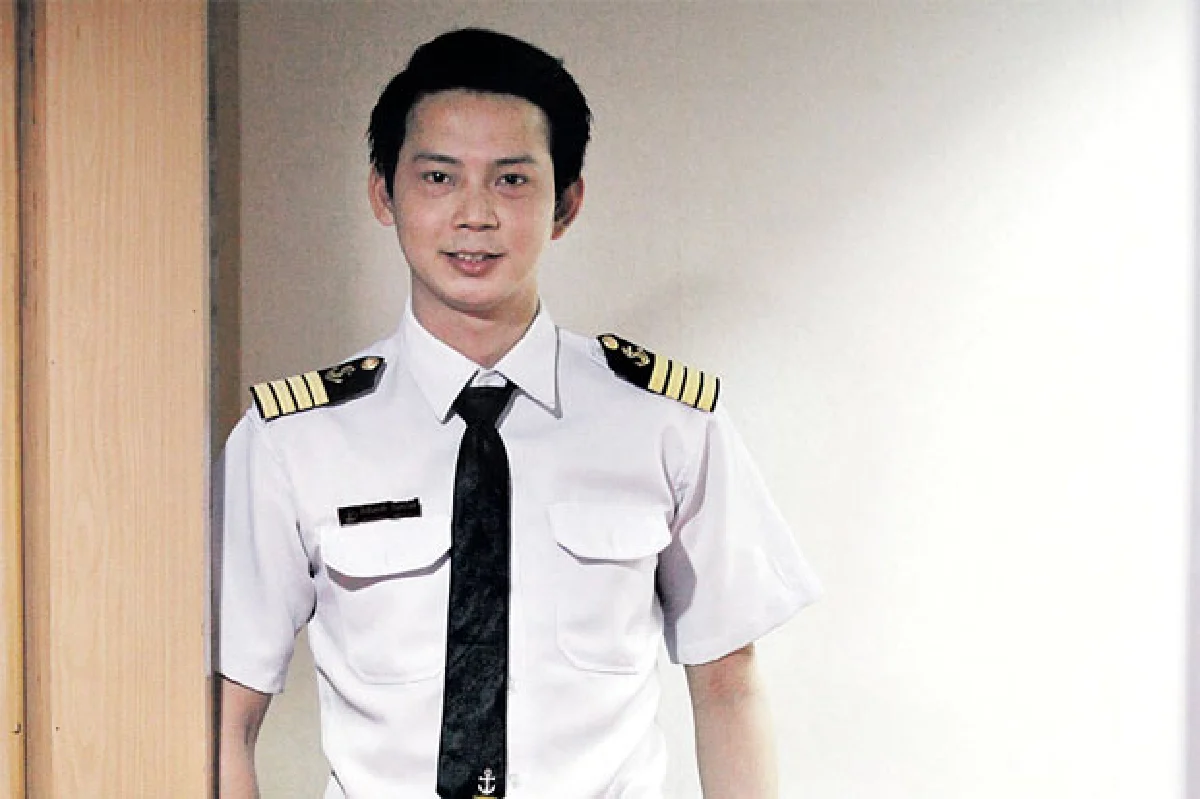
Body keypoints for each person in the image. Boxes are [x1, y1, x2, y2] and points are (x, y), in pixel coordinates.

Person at [216, 27, 820, 799]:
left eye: (510, 180)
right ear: (383, 193)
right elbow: (229, 718)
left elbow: (728, 686)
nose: (474, 215)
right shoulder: (291, 440)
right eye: (439, 177)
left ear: (565, 203)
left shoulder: (669, 424)